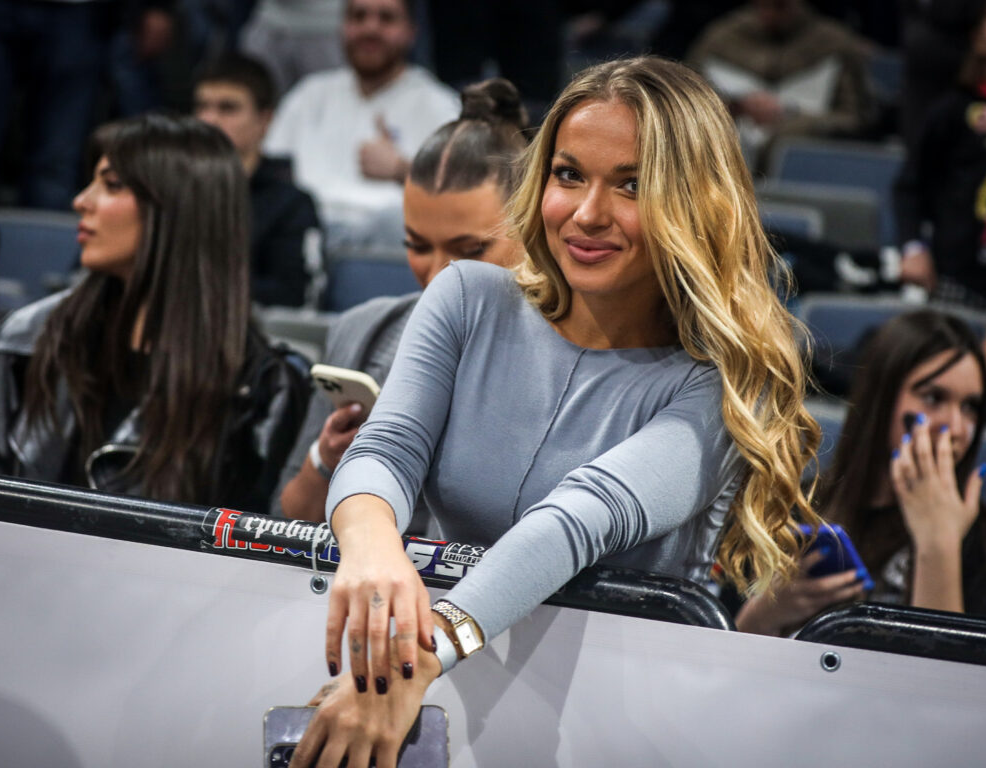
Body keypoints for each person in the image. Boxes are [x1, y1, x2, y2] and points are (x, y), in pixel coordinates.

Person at [289, 56, 820, 768]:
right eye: (569, 175)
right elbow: (386, 450)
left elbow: (576, 520)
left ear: (699, 203)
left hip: (624, 726)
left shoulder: (725, 380)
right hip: (444, 703)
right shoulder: (467, 298)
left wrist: (414, 661)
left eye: (632, 184)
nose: (587, 213)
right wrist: (370, 551)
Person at [0, 114, 310, 513]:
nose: (81, 201)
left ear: (177, 210)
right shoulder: (27, 341)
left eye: (112, 185)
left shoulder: (260, 391)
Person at [275, 78, 528, 522]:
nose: (440, 275)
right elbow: (282, 522)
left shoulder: (567, 357)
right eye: (417, 246)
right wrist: (326, 458)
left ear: (532, 227)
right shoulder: (363, 332)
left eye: (470, 250)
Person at [737, 310, 986, 636]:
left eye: (970, 407)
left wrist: (939, 543)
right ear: (880, 401)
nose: (955, 428)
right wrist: (765, 615)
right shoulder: (796, 506)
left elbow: (951, 668)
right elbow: (723, 656)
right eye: (933, 397)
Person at [262, 0, 459, 247]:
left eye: (386, 18)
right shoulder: (309, 94)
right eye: (359, 17)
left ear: (411, 32)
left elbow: (468, 196)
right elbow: (268, 173)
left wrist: (401, 170)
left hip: (389, 249)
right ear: (342, 27)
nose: (370, 29)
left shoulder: (440, 105)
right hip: (306, 236)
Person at [895, 0, 986, 313]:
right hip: (958, 282)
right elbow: (910, 188)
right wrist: (913, 248)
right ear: (977, 36)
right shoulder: (951, 111)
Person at [194, 53, 322, 308]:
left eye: (228, 108)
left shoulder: (291, 205)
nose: (209, 120)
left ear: (265, 120)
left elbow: (294, 294)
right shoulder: (174, 191)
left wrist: (196, 285)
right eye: (202, 107)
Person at [685, 0, 875, 169]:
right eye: (763, 6)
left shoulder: (834, 44)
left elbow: (855, 118)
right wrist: (736, 105)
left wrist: (793, 117)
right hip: (729, 146)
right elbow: (687, 100)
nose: (770, 14)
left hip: (804, 158)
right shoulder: (721, 38)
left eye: (780, 6)